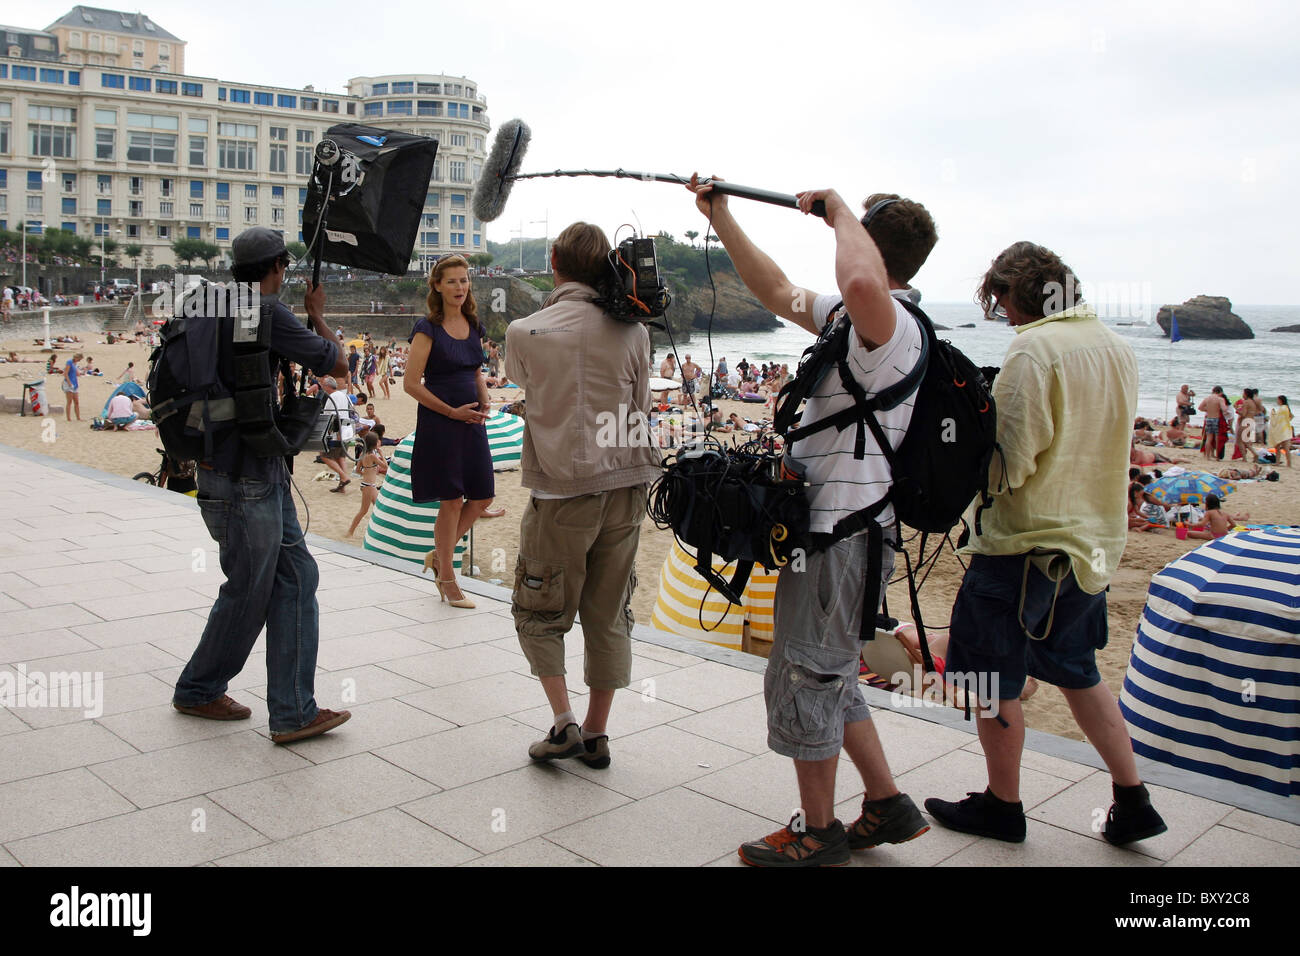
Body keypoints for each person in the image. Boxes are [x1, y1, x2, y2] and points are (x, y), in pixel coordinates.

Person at [687, 175, 935, 866]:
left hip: (841, 536)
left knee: (805, 674)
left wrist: (840, 214)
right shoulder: (852, 322)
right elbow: (774, 291)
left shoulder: (886, 323)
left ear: (867, 247)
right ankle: (885, 801)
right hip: (836, 534)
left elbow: (861, 285)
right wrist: (721, 216)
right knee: (831, 671)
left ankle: (817, 832)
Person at [924, 241, 1166, 847]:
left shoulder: (1034, 348)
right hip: (1089, 549)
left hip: (1021, 548)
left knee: (988, 680)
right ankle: (1131, 798)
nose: (1001, 314)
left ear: (1015, 292)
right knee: (1080, 673)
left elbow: (1010, 464)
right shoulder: (1116, 346)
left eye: (1000, 300)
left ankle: (1003, 806)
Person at [172, 226, 352, 744]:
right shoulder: (266, 312)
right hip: (249, 478)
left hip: (225, 468)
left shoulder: (207, 306)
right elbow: (337, 363)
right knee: (249, 591)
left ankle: (294, 708)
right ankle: (200, 688)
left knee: (295, 578)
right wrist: (316, 312)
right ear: (277, 267)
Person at [505, 222, 661, 773]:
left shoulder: (526, 330)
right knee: (608, 611)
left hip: (562, 488)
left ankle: (563, 721)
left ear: (554, 261)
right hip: (626, 482)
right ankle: (596, 732)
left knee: (540, 606)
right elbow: (640, 404)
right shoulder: (635, 331)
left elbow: (522, 383)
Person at [405, 254, 495, 609]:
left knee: (483, 495)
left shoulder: (474, 324)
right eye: (453, 281)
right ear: (438, 286)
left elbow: (475, 371)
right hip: (440, 422)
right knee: (452, 499)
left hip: (471, 421)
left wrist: (484, 399)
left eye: (464, 280)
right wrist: (450, 412)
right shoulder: (427, 328)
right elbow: (411, 384)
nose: (460, 287)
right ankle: (447, 578)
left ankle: (439, 555)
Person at [347, 432, 388, 536]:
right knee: (363, 511)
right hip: (369, 486)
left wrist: (368, 471)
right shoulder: (373, 456)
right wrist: (382, 454)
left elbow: (357, 470)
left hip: (368, 484)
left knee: (377, 508)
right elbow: (385, 466)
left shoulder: (363, 454)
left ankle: (378, 531)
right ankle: (350, 531)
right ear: (374, 444)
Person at [319, 377, 354, 492]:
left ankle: (343, 477)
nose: (322, 387)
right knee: (340, 457)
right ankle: (342, 486)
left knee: (324, 455)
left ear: (328, 386)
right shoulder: (343, 395)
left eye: (324, 385)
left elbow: (334, 416)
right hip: (347, 431)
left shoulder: (332, 397)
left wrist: (337, 432)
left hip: (337, 431)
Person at [1199, 387, 1228, 460]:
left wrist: (1208, 409)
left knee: (1209, 438)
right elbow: (1224, 409)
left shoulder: (1207, 398)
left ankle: (1207, 456)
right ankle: (1217, 456)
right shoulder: (1220, 399)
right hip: (1216, 419)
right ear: (1220, 392)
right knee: (1217, 438)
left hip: (1208, 418)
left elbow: (1200, 408)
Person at [1269, 395, 1293, 468]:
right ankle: (1289, 464)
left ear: (1280, 400)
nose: (1277, 401)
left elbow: (1277, 418)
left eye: (1278, 400)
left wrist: (1272, 413)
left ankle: (1277, 462)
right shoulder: (1287, 408)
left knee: (1278, 447)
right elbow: (1291, 417)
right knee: (1286, 448)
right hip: (1286, 429)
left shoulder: (1282, 408)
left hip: (1281, 430)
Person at [61, 352, 83, 421]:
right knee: (69, 401)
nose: (79, 360)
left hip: (75, 383)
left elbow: (76, 373)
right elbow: (66, 373)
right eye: (79, 359)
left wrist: (80, 373)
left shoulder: (75, 364)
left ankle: (78, 417)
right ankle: (68, 418)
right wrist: (69, 383)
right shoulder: (69, 362)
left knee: (76, 401)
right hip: (68, 384)